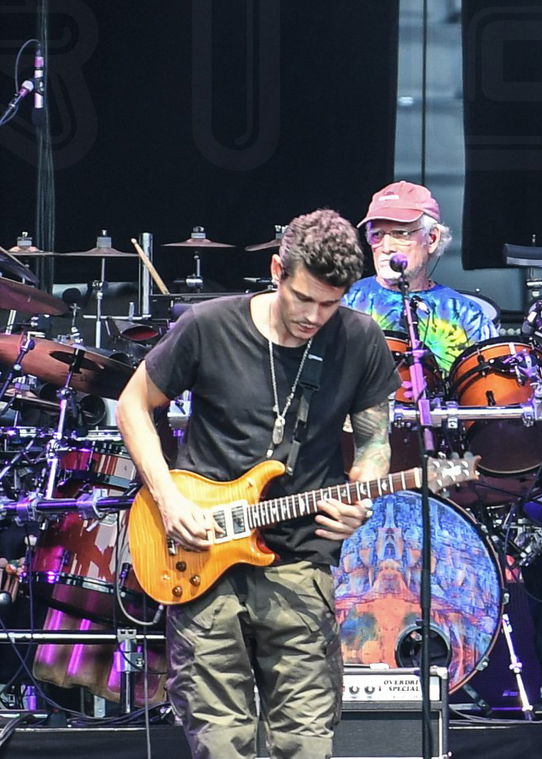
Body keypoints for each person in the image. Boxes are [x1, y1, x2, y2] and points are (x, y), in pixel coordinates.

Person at [117, 209, 401, 758]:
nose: (314, 316)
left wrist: (362, 494)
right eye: (304, 298)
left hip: (299, 559)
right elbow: (133, 404)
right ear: (277, 271)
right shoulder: (208, 325)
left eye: (330, 303)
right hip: (201, 553)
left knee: (305, 739)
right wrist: (168, 499)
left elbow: (374, 444)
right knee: (220, 739)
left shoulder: (359, 338)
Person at [342, 180, 497, 374]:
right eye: (377, 234)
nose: (386, 247)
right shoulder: (344, 303)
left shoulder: (465, 314)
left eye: (400, 233)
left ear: (432, 239)